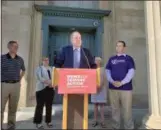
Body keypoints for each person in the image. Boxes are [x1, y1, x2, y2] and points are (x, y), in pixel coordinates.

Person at [55, 31, 96, 129]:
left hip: (83, 85)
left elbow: (92, 65)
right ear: (71, 40)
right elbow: (58, 64)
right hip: (68, 85)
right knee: (69, 109)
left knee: (81, 110)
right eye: (76, 38)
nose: (78, 40)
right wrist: (58, 76)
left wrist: (94, 72)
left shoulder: (86, 52)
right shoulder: (64, 50)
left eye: (80, 38)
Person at [106, 41, 135, 129]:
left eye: (120, 46)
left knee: (127, 110)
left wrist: (122, 82)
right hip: (113, 88)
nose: (118, 47)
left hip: (126, 89)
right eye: (117, 46)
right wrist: (112, 81)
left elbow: (131, 72)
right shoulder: (111, 59)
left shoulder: (128, 58)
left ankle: (129, 127)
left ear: (124, 48)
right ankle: (115, 127)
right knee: (115, 109)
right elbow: (107, 71)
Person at [1, 41, 25, 130]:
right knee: (1, 107)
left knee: (13, 108)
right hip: (4, 85)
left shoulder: (20, 59)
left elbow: (24, 70)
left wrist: (19, 78)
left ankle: (11, 126)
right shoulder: (2, 58)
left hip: (16, 85)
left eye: (17, 46)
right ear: (9, 47)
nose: (15, 48)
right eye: (13, 46)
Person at [33, 57, 55, 129]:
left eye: (47, 60)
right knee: (40, 106)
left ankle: (48, 121)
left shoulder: (52, 69)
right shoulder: (39, 68)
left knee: (49, 106)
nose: (46, 61)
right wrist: (48, 82)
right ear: (42, 61)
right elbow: (40, 77)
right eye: (44, 60)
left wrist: (53, 83)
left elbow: (55, 77)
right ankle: (38, 123)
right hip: (41, 89)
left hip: (50, 89)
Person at [91, 57, 107, 128]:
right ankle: (95, 121)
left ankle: (103, 121)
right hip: (94, 89)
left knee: (102, 106)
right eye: (95, 60)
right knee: (95, 105)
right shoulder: (92, 69)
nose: (96, 61)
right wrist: (95, 88)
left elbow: (104, 79)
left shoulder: (103, 69)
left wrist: (99, 87)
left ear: (100, 62)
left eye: (98, 60)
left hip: (102, 89)